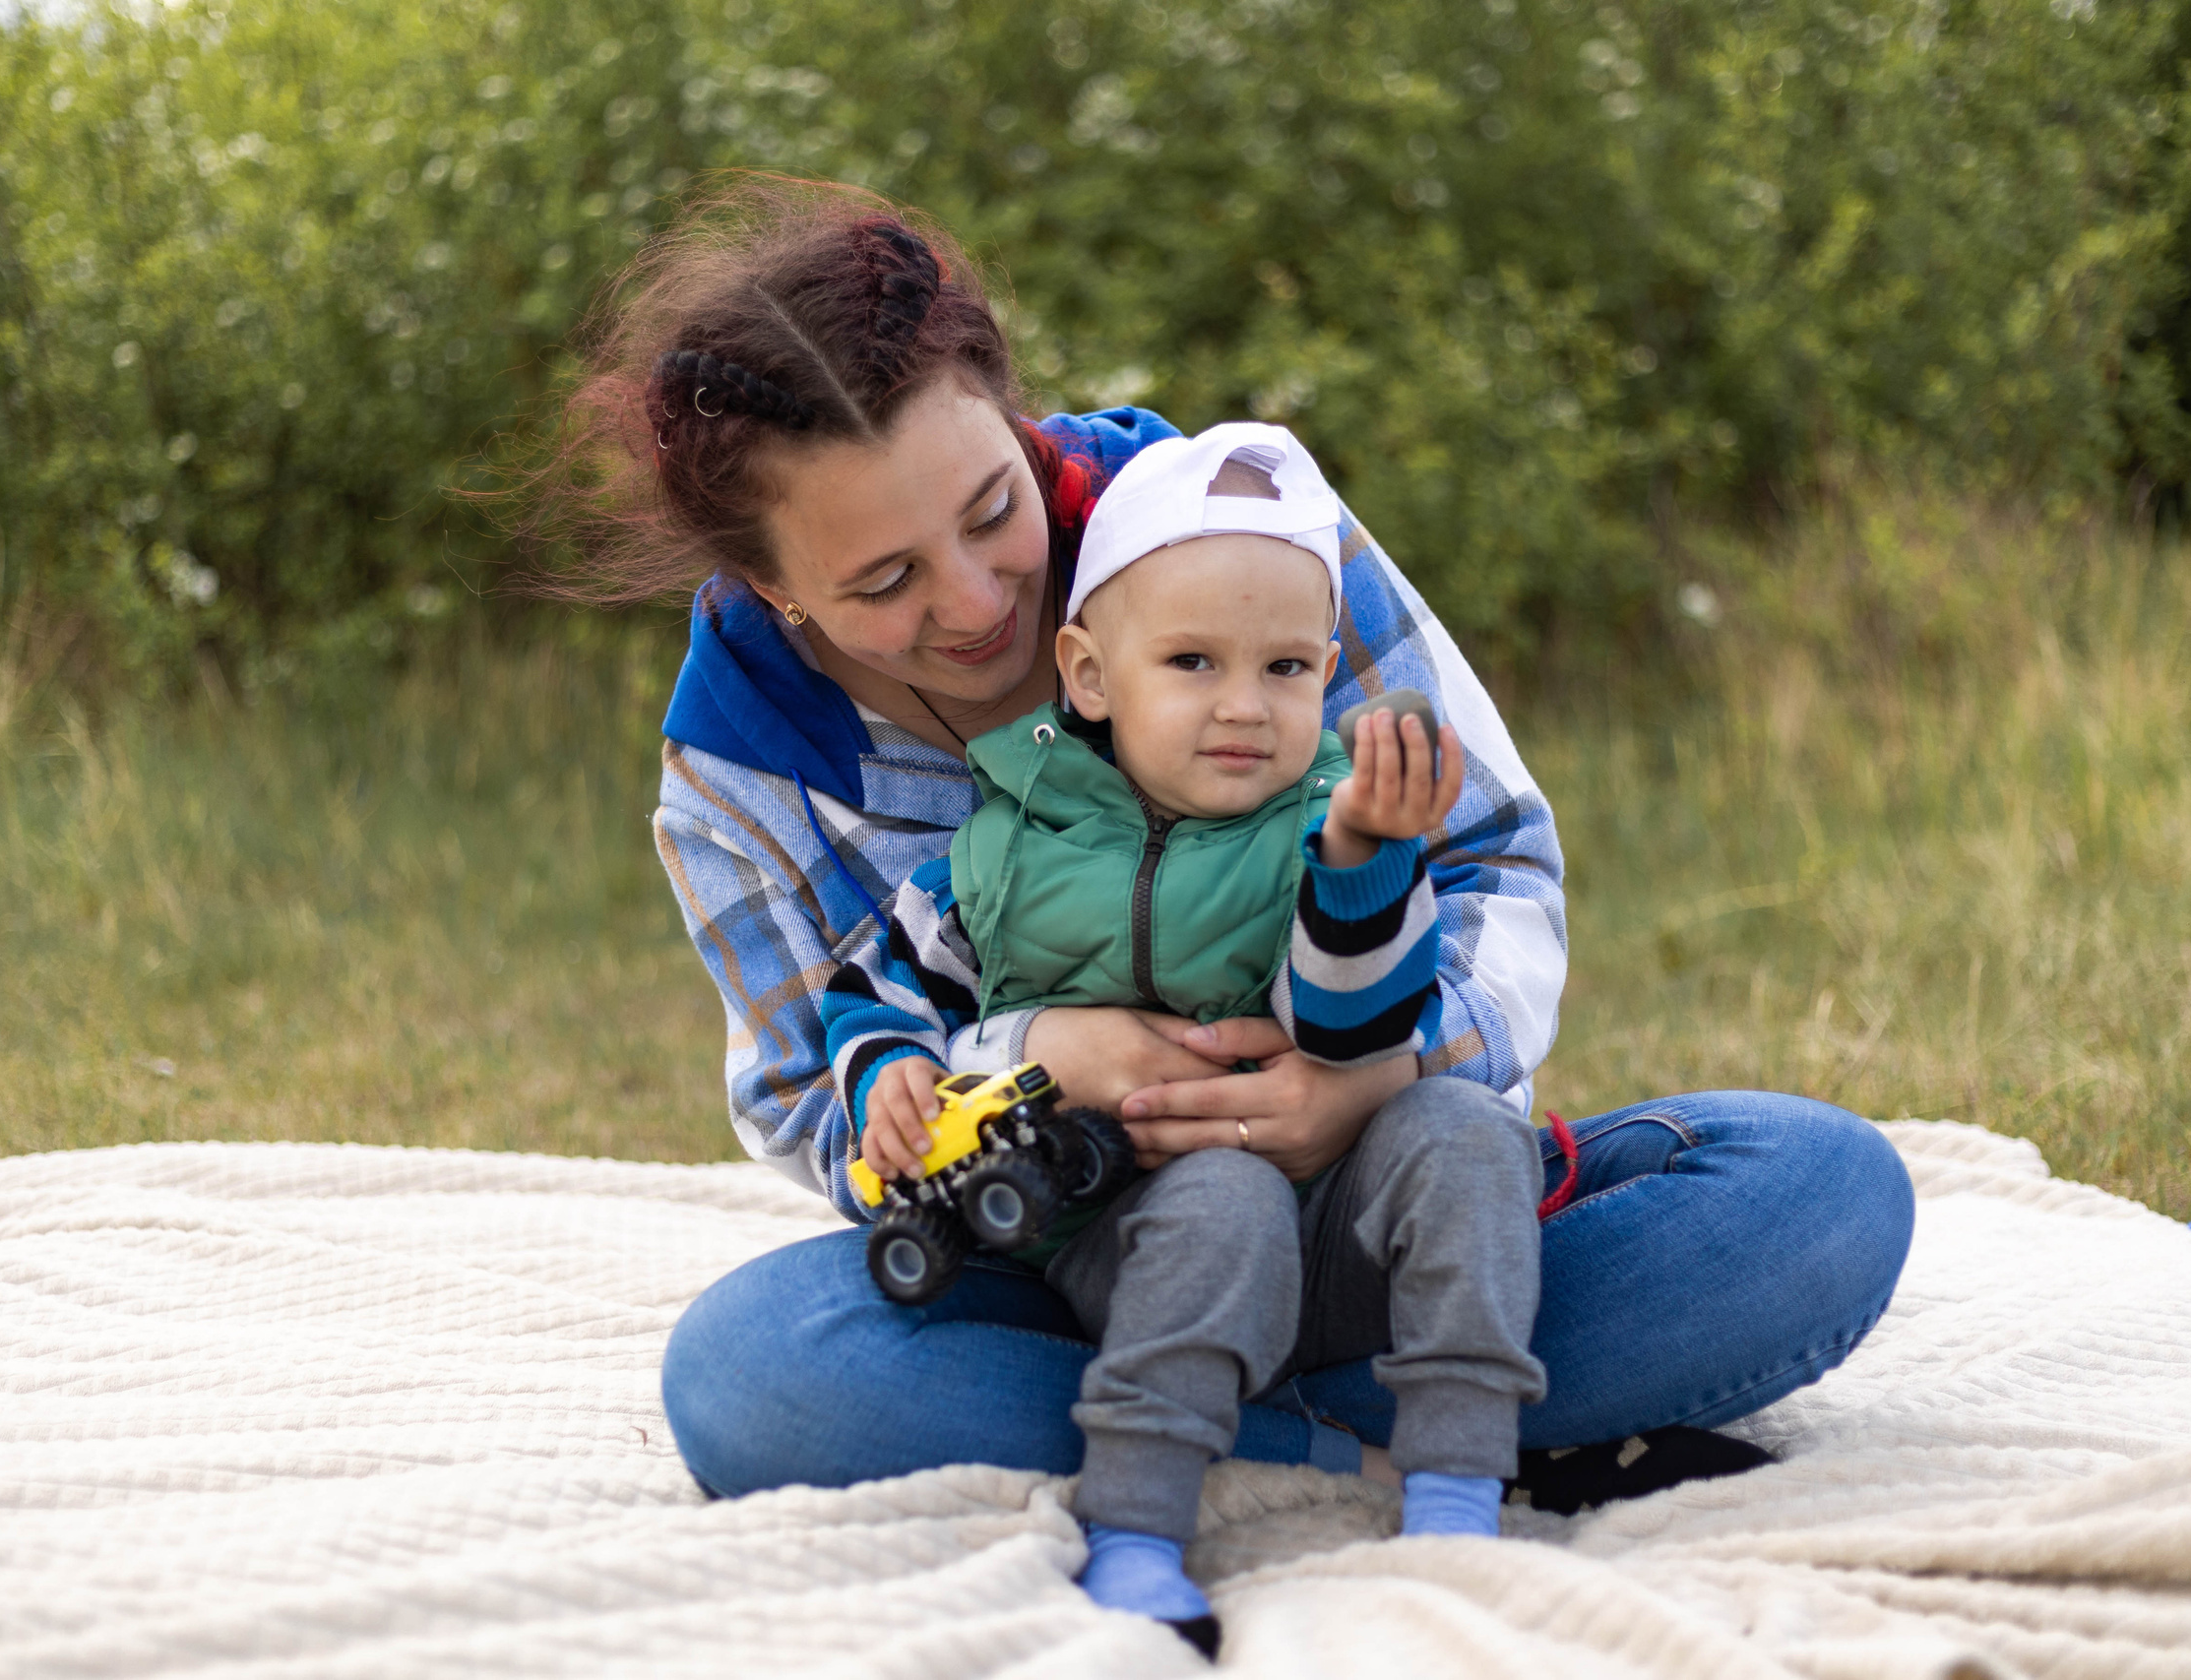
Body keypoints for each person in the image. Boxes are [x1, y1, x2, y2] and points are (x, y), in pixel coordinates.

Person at [522, 177, 1913, 1604]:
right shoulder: (740, 769)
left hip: (1381, 1206)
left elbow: (1492, 854)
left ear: (1012, 412)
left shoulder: (1239, 531)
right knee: (755, 1376)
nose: (977, 601)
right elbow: (813, 1101)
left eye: (993, 508)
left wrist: (1368, 1081)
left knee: (1816, 1192)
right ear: (776, 590)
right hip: (1080, 1269)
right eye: (882, 579)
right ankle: (1435, 1435)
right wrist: (1024, 1060)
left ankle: (1263, 1426)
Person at [823, 422, 1546, 1650]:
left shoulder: (1329, 820)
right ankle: (1140, 1532)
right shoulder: (1004, 848)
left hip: (1340, 1215)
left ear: (1329, 673)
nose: (1243, 707)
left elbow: (1356, 1021)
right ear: (1092, 676)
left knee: (1471, 1133)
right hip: (1133, 1228)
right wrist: (894, 1072)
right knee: (1214, 1200)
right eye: (1193, 663)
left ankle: (1455, 1490)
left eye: (1282, 671)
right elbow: (878, 992)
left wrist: (1364, 863)